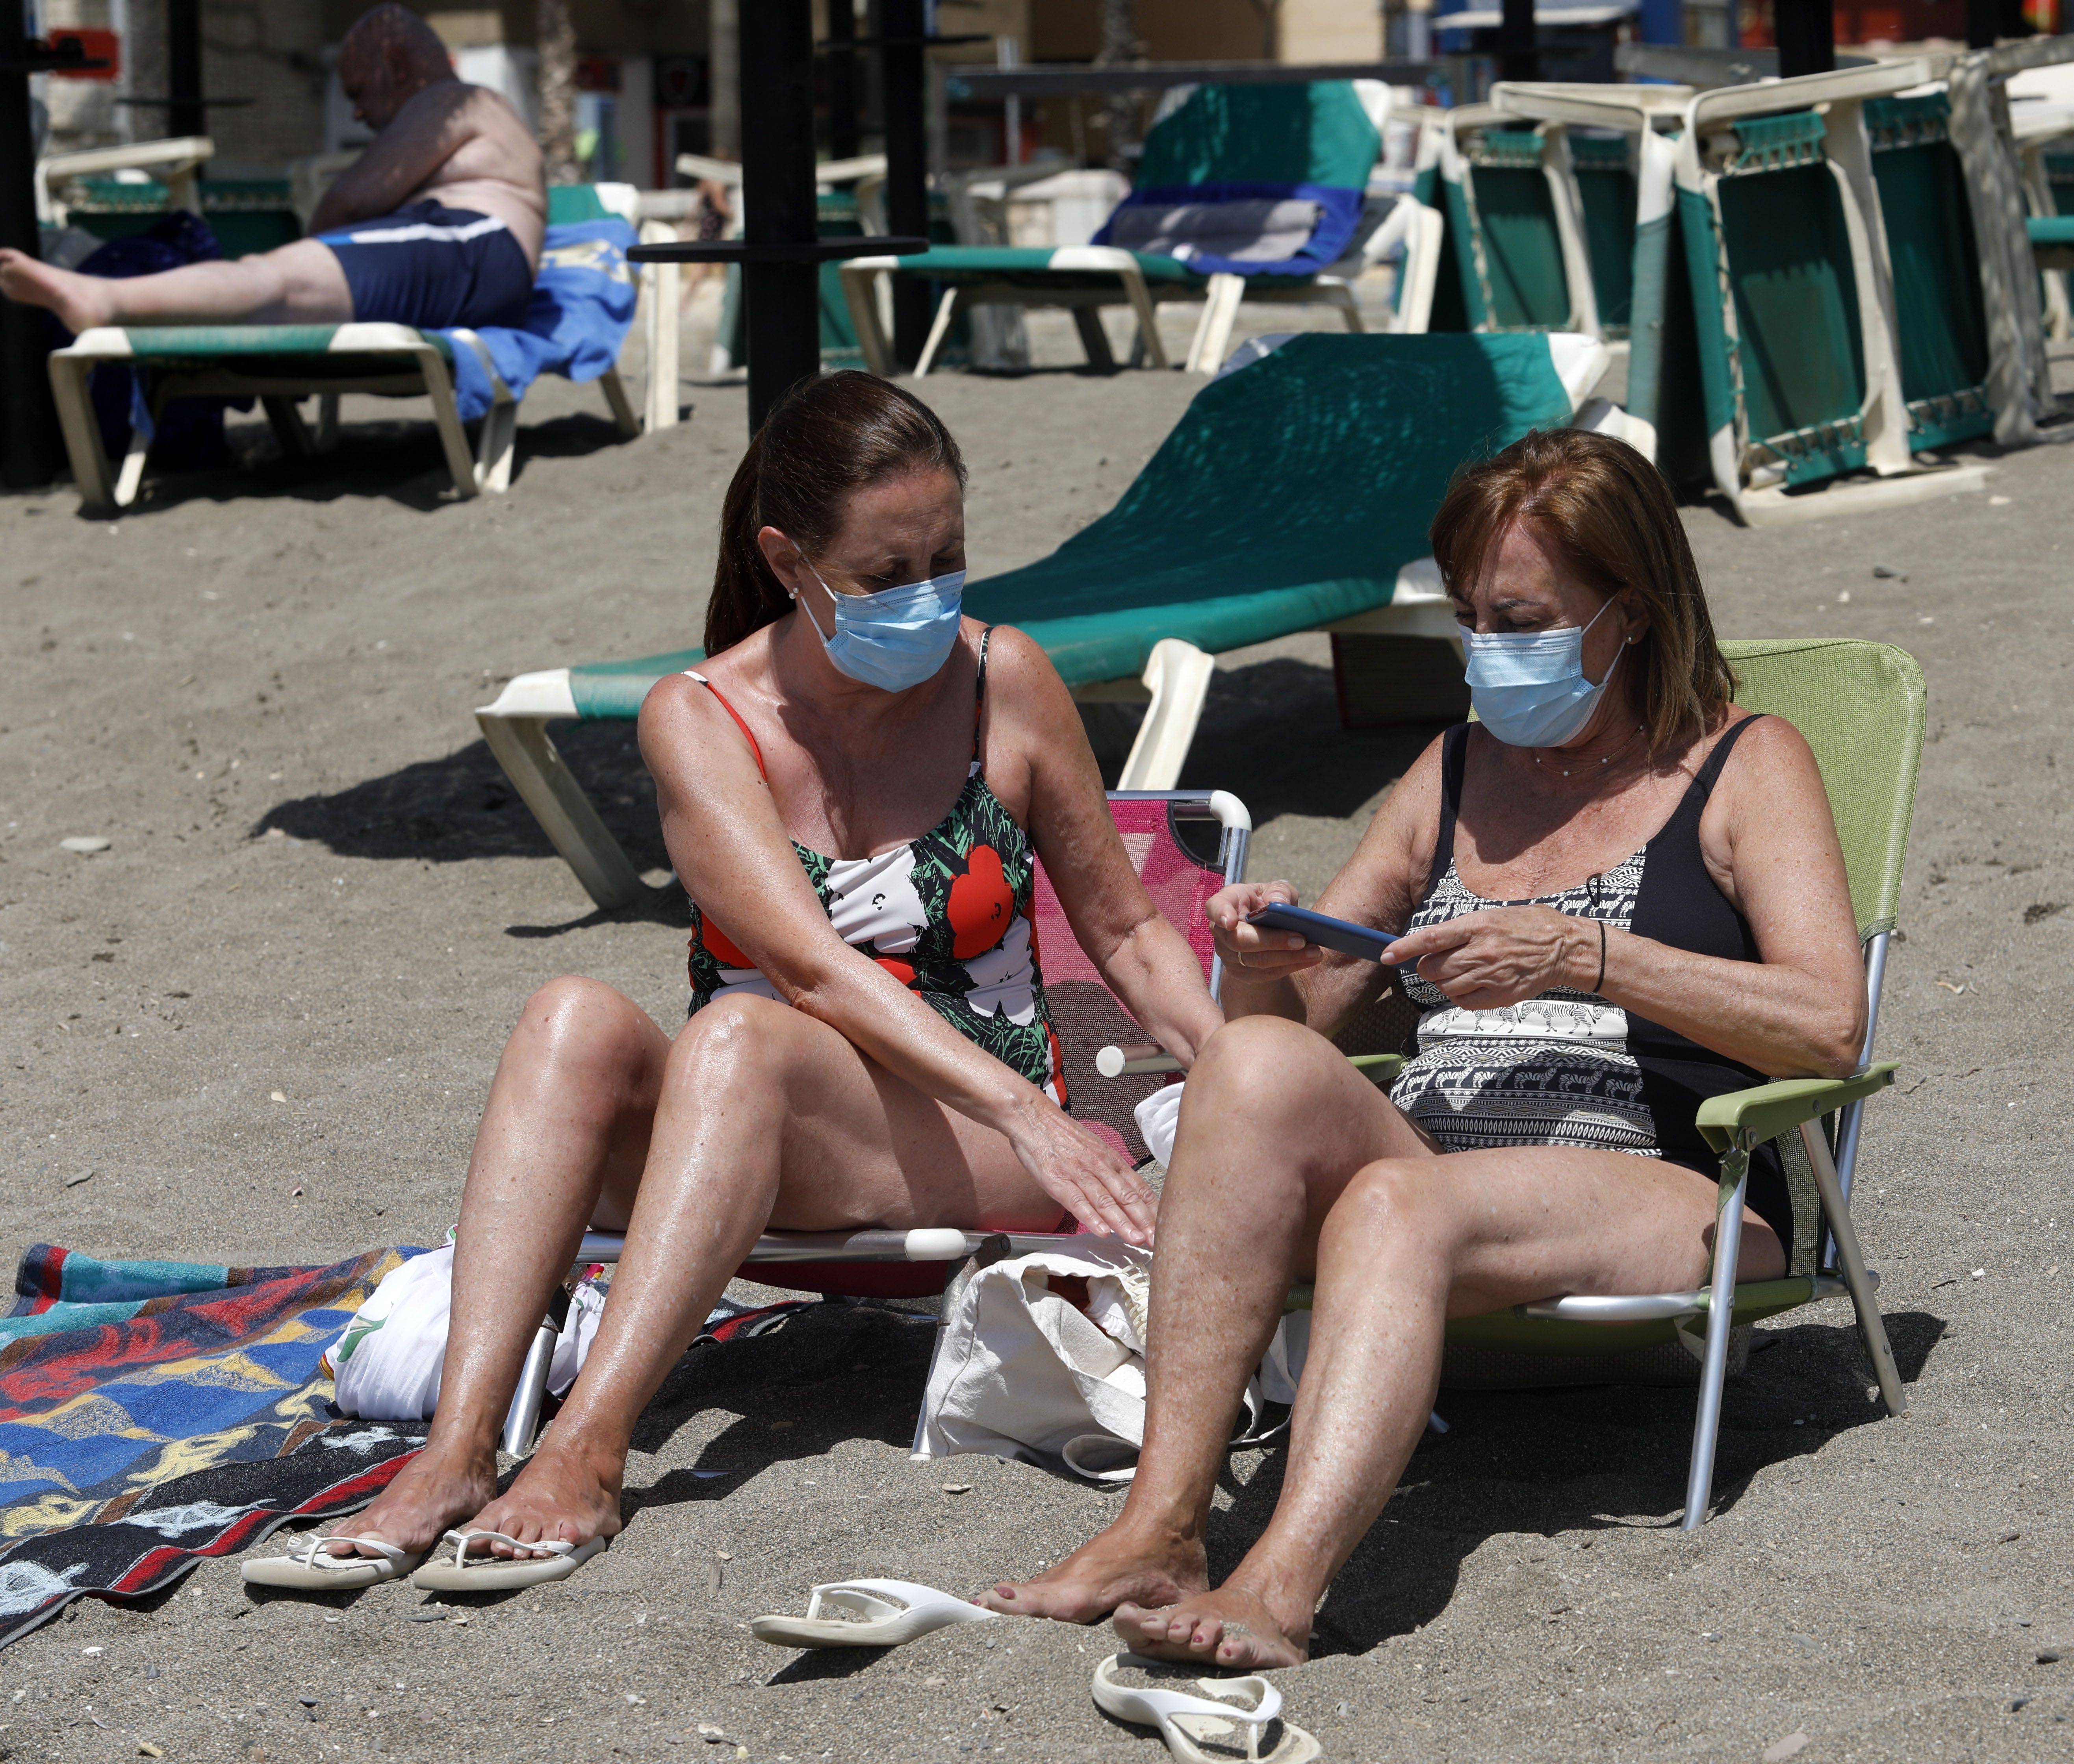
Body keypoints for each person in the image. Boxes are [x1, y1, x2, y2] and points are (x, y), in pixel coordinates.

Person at [247, 372, 1224, 1587]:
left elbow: (1126, 929)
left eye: (947, 556)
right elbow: (806, 962)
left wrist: (1228, 1069)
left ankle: (587, 1448)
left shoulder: (1001, 681)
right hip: (765, 1123)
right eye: (884, 573)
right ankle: (454, 1449)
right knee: (574, 1017)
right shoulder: (702, 714)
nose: (926, 594)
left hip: (982, 1129)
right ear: (786, 558)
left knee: (735, 1038)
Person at [976, 428, 1869, 1666]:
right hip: (1440, 1161)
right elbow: (1288, 1046)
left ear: (1633, 608)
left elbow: (1828, 1021)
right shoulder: (1452, 767)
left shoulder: (1741, 762)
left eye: (1520, 619)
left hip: (1679, 1178)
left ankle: (1280, 1586)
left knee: (1398, 1199)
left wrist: (1584, 954)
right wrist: (1257, 960)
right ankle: (1160, 1523)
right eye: (1468, 618)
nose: (1487, 650)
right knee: (1240, 1067)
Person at [0, 6, 545, 335]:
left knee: (277, 278)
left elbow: (351, 202)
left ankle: (106, 299)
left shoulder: (453, 100)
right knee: (274, 283)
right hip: (475, 262)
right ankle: (113, 301)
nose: (356, 112)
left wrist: (312, 252)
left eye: (358, 92)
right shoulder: (475, 112)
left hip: (474, 248)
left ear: (398, 66)